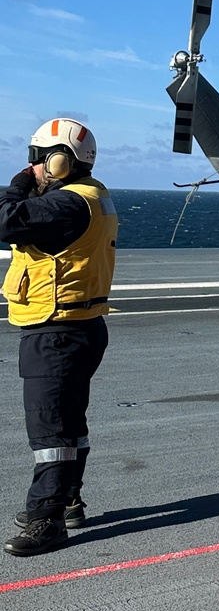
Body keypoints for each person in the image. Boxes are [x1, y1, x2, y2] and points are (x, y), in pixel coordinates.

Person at [0, 120, 116, 556]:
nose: (33, 167)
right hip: (78, 327)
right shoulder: (91, 196)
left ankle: (46, 520)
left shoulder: (68, 205)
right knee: (70, 424)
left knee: (50, 431)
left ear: (60, 161)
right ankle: (68, 501)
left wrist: (16, 184)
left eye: (38, 159)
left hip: (57, 332)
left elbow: (4, 220)